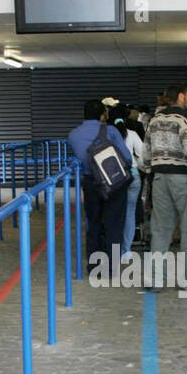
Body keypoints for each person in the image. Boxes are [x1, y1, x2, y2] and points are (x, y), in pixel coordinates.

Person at [141, 83, 187, 290]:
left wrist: (152, 171)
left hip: (159, 178)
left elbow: (146, 153)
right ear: (181, 97)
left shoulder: (155, 120)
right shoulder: (185, 119)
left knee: (160, 231)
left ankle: (155, 280)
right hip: (183, 180)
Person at [67, 99, 132, 263]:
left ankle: (95, 266)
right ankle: (111, 265)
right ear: (103, 114)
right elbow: (127, 158)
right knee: (114, 223)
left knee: (94, 223)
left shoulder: (73, 135)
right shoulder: (111, 131)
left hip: (91, 182)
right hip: (114, 183)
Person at [113, 109, 144, 253]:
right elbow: (143, 155)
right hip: (132, 176)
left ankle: (114, 249)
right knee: (130, 213)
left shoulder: (107, 135)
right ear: (125, 119)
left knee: (114, 213)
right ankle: (126, 251)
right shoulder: (132, 134)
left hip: (114, 178)